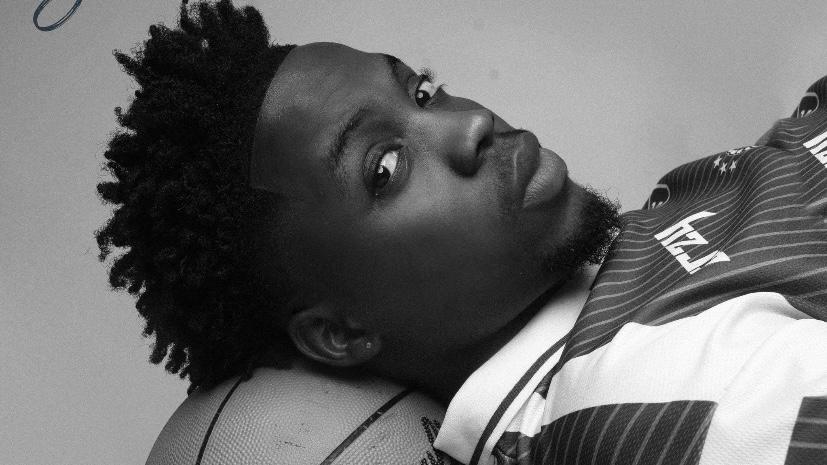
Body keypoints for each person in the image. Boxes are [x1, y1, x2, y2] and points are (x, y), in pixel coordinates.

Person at [97, 1, 827, 464]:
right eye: (385, 167)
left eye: (421, 91)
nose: (469, 123)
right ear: (341, 331)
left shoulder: (632, 275)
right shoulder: (643, 400)